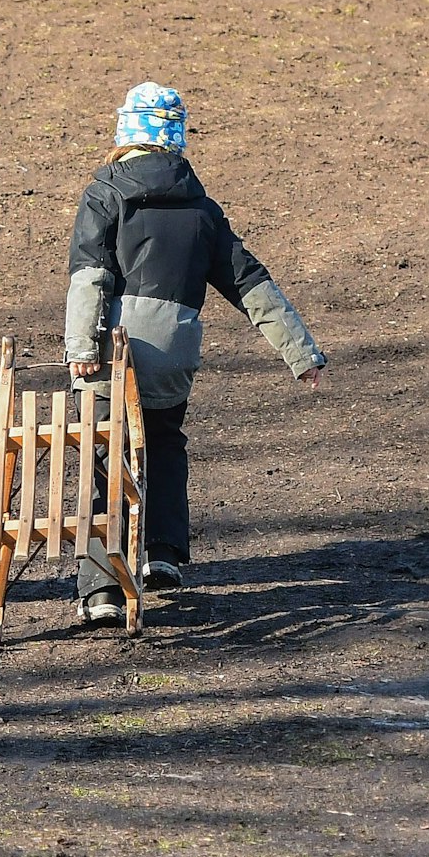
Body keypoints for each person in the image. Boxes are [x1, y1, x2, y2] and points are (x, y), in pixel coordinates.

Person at [64, 82, 325, 624]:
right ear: (176, 138)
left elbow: (90, 277)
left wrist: (82, 347)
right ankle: (161, 553)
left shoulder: (104, 193)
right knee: (164, 440)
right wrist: (302, 354)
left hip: (116, 351)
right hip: (175, 351)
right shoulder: (202, 208)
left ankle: (103, 590)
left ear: (125, 133)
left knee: (104, 455)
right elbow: (250, 283)